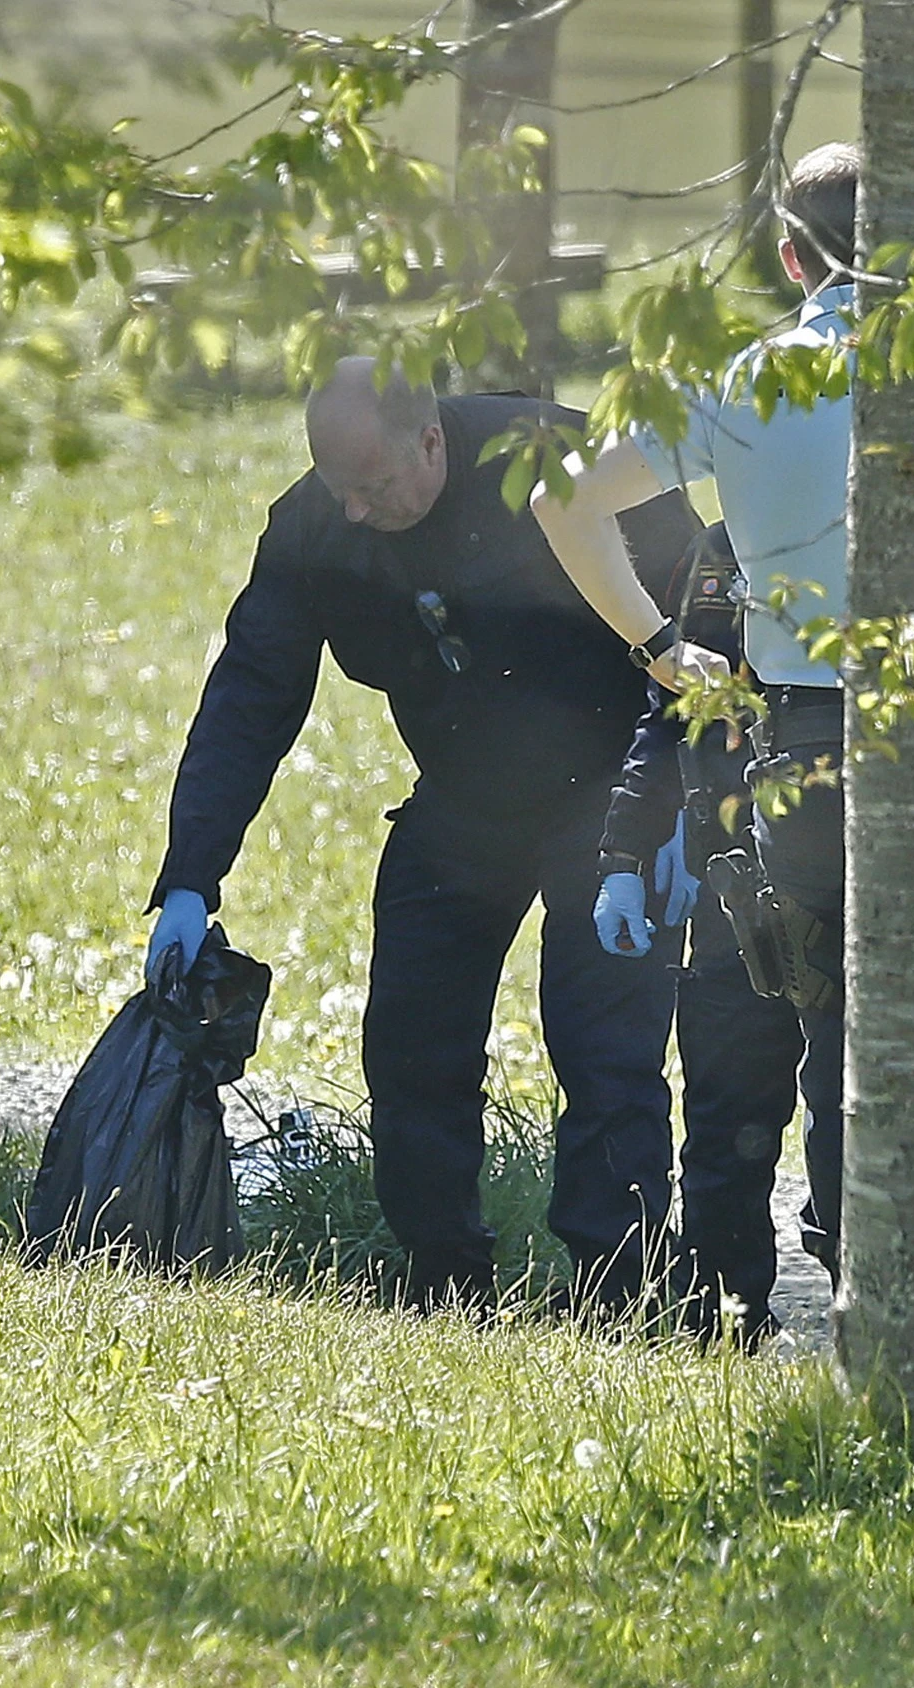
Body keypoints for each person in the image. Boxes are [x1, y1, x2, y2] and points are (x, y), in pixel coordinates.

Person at [529, 143, 914, 1276]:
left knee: (830, 1020)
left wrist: (661, 644)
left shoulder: (740, 377)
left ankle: (855, 1264)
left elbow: (561, 496)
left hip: (810, 744)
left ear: (789, 255)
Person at [146, 357, 701, 1312]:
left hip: (613, 789)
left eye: (375, 486)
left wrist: (689, 794)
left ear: (433, 440)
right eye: (340, 491)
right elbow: (251, 695)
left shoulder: (561, 462)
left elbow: (707, 606)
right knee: (410, 1041)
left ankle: (626, 1294)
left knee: (605, 1048)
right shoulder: (319, 529)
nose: (358, 513)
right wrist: (192, 875)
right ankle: (443, 1282)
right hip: (464, 797)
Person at [591, 524, 823, 1347]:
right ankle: (723, 1328)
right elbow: (672, 719)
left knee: (852, 1117)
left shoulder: (901, 527)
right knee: (727, 1120)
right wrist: (624, 853)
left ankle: (885, 1334)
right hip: (742, 894)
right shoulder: (730, 550)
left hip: (865, 885)